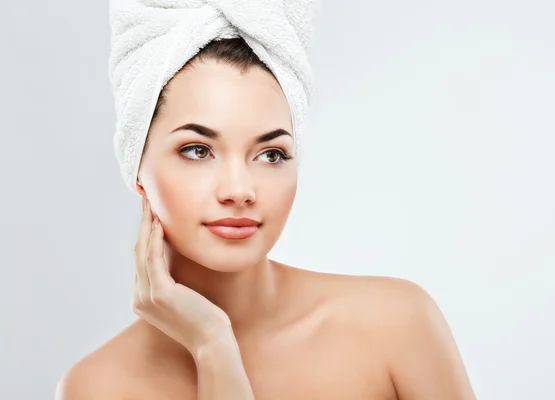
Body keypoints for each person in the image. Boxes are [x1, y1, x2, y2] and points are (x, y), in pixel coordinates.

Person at [55, 37, 476, 400]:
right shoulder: (98, 387)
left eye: (271, 154)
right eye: (198, 150)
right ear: (137, 170)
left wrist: (211, 343)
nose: (239, 189)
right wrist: (213, 345)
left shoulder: (396, 324)